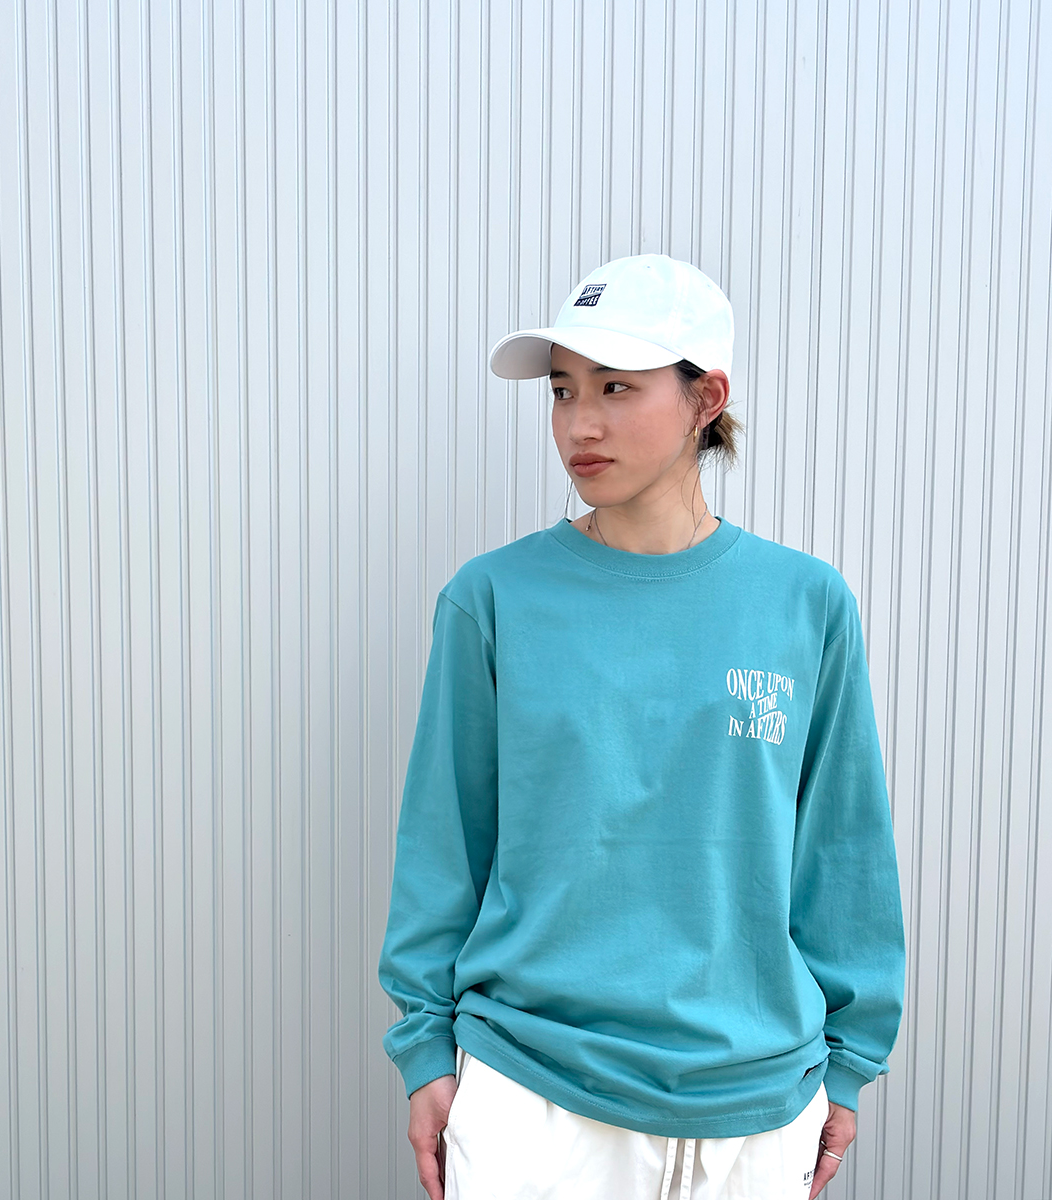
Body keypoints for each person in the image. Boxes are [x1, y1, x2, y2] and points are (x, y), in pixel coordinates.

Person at [377, 253, 906, 1200]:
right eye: (562, 390)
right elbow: (442, 844)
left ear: (708, 399)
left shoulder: (804, 603)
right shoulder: (493, 599)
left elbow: (843, 848)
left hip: (757, 1099)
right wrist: (425, 1053)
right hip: (534, 1089)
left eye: (616, 386)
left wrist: (850, 1063)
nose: (579, 423)